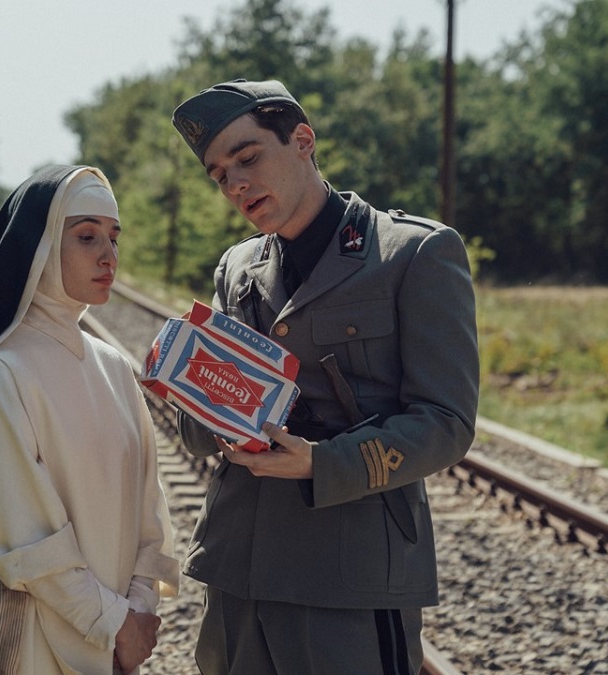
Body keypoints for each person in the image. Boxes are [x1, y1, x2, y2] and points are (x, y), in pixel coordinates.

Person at [169, 79, 479, 674]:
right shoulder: (237, 268)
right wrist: (188, 381)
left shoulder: (412, 254)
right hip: (238, 570)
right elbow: (200, 431)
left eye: (249, 157)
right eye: (218, 174)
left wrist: (320, 462)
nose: (235, 183)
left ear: (303, 141)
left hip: (348, 573)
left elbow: (447, 423)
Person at [0, 165, 179, 674]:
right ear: (42, 248)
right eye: (87, 237)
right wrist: (116, 623)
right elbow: (27, 544)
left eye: (114, 238)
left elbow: (149, 509)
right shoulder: (3, 374)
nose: (108, 255)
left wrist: (139, 608)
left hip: (113, 639)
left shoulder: (114, 367)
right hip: (31, 644)